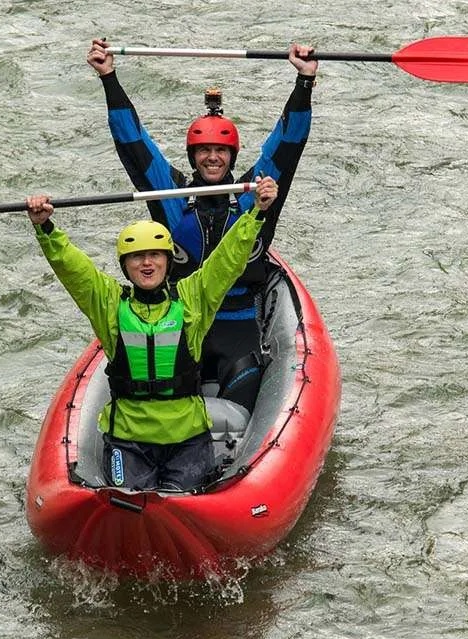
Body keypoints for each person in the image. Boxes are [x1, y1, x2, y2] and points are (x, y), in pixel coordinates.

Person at [86, 37, 317, 411]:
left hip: (239, 326)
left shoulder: (256, 193)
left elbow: (288, 144)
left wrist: (304, 83)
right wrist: (109, 78)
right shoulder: (171, 195)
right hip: (181, 327)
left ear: (232, 155)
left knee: (240, 396)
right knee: (164, 400)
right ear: (193, 156)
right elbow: (133, 143)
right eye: (204, 151)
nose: (213, 158)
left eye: (220, 151)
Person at [25, 176, 278, 491]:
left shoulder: (192, 297)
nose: (147, 263)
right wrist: (46, 228)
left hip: (187, 440)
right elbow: (73, 268)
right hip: (129, 442)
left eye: (155, 255)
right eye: (136, 257)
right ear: (125, 265)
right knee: (128, 505)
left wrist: (257, 212)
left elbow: (227, 260)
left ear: (168, 262)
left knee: (181, 500)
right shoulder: (109, 304)